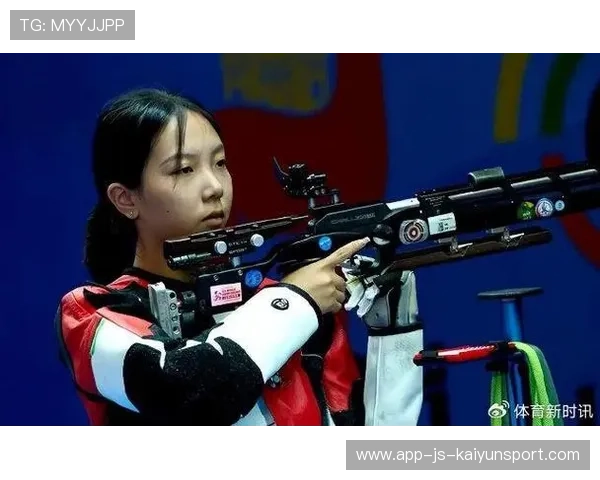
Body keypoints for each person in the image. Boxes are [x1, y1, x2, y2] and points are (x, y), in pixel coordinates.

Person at [55, 88, 424, 429]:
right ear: (126, 199)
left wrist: (394, 331)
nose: (215, 187)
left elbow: (369, 457)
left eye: (220, 163)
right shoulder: (90, 315)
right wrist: (295, 300)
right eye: (184, 169)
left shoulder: (289, 305)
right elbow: (189, 391)